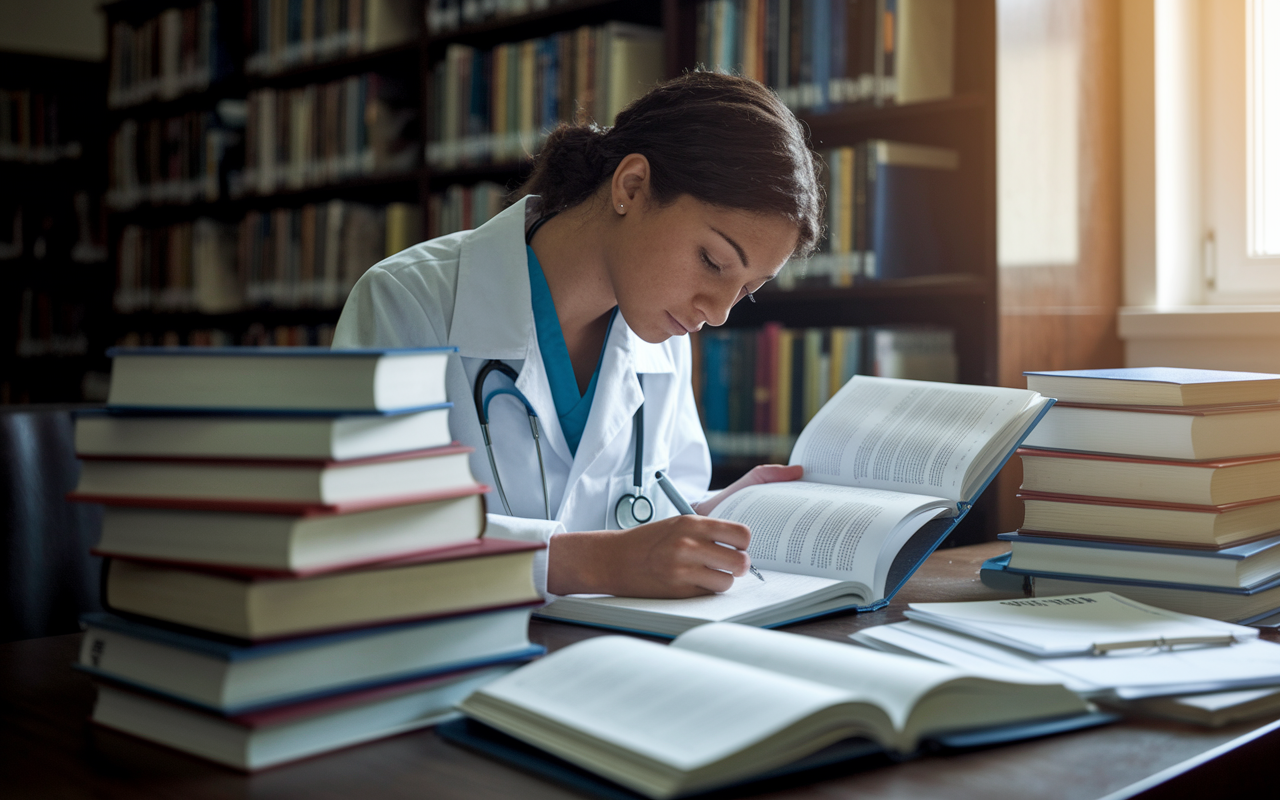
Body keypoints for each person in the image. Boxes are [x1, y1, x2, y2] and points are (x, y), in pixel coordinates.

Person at [333, 71, 824, 600]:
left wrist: (715, 512)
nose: (719, 312)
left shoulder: (663, 334)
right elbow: (366, 527)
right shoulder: (407, 301)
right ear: (631, 186)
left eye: (747, 289)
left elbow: (651, 501)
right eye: (712, 260)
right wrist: (592, 564)